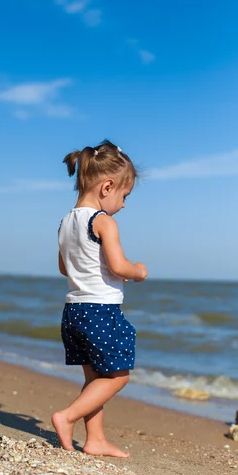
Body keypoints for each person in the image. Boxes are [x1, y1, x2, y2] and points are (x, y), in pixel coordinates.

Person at [52, 139, 148, 458]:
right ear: (107, 186)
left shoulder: (66, 223)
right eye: (125, 195)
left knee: (95, 379)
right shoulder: (103, 221)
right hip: (100, 311)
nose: (123, 204)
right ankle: (66, 417)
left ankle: (95, 439)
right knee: (118, 376)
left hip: (73, 311)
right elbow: (119, 266)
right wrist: (137, 271)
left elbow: (64, 265)